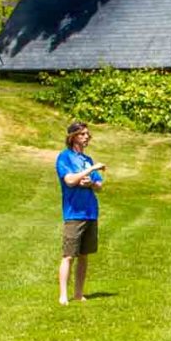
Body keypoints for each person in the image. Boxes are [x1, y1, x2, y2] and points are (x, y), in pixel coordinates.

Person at [55, 121, 102, 305]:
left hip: (90, 212)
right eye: (83, 134)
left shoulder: (88, 159)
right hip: (74, 213)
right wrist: (88, 171)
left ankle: (78, 293)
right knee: (68, 255)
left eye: (87, 134)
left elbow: (99, 186)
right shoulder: (64, 157)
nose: (86, 137)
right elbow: (69, 180)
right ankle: (63, 295)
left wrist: (91, 182)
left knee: (84, 256)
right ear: (73, 137)